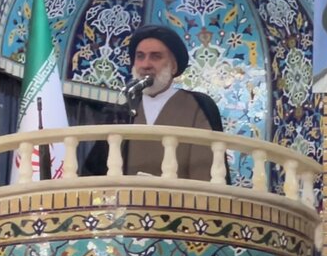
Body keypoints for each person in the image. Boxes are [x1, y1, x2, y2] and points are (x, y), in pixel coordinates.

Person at [83, 24, 229, 182]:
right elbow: (95, 173)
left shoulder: (197, 105)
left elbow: (207, 174)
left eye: (156, 57)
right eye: (140, 56)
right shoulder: (123, 111)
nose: (146, 65)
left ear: (173, 66)